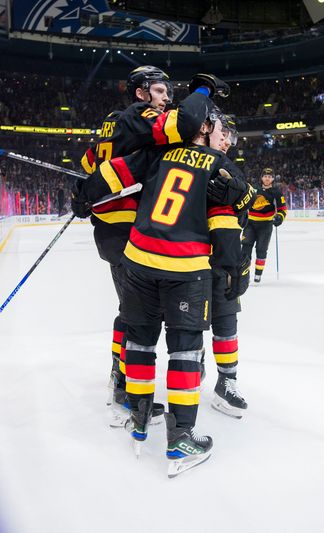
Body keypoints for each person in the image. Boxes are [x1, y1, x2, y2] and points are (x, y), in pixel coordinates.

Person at [75, 111, 254, 476]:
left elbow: (115, 172)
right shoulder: (219, 166)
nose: (227, 138)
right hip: (184, 267)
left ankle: (139, 420)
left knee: (139, 339)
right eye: (222, 130)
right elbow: (223, 221)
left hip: (138, 261)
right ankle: (180, 439)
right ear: (206, 130)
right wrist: (231, 269)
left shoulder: (159, 150)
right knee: (185, 348)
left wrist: (84, 194)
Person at [72, 66, 229, 424]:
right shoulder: (141, 116)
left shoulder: (112, 124)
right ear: (141, 94)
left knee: (131, 311)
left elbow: (89, 162)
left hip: (115, 230)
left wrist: (86, 191)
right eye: (159, 91)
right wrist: (201, 92)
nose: (166, 98)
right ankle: (125, 389)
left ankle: (122, 380)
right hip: (130, 232)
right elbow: (184, 125)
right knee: (136, 315)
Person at [208, 114, 250, 418]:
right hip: (192, 260)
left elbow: (241, 214)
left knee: (227, 323)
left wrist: (239, 259)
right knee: (191, 325)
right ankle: (192, 365)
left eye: (230, 138)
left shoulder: (231, 168)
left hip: (223, 261)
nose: (226, 141)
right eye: (223, 134)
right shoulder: (192, 162)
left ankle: (227, 382)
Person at [241, 167, 287, 282]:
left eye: (270, 177)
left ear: (273, 179)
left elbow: (283, 208)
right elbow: (244, 203)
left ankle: (258, 275)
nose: (267, 178)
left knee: (261, 250)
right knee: (245, 248)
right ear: (261, 177)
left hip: (266, 225)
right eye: (265, 176)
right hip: (250, 223)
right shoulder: (253, 188)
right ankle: (244, 274)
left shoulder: (276, 192)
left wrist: (279, 217)